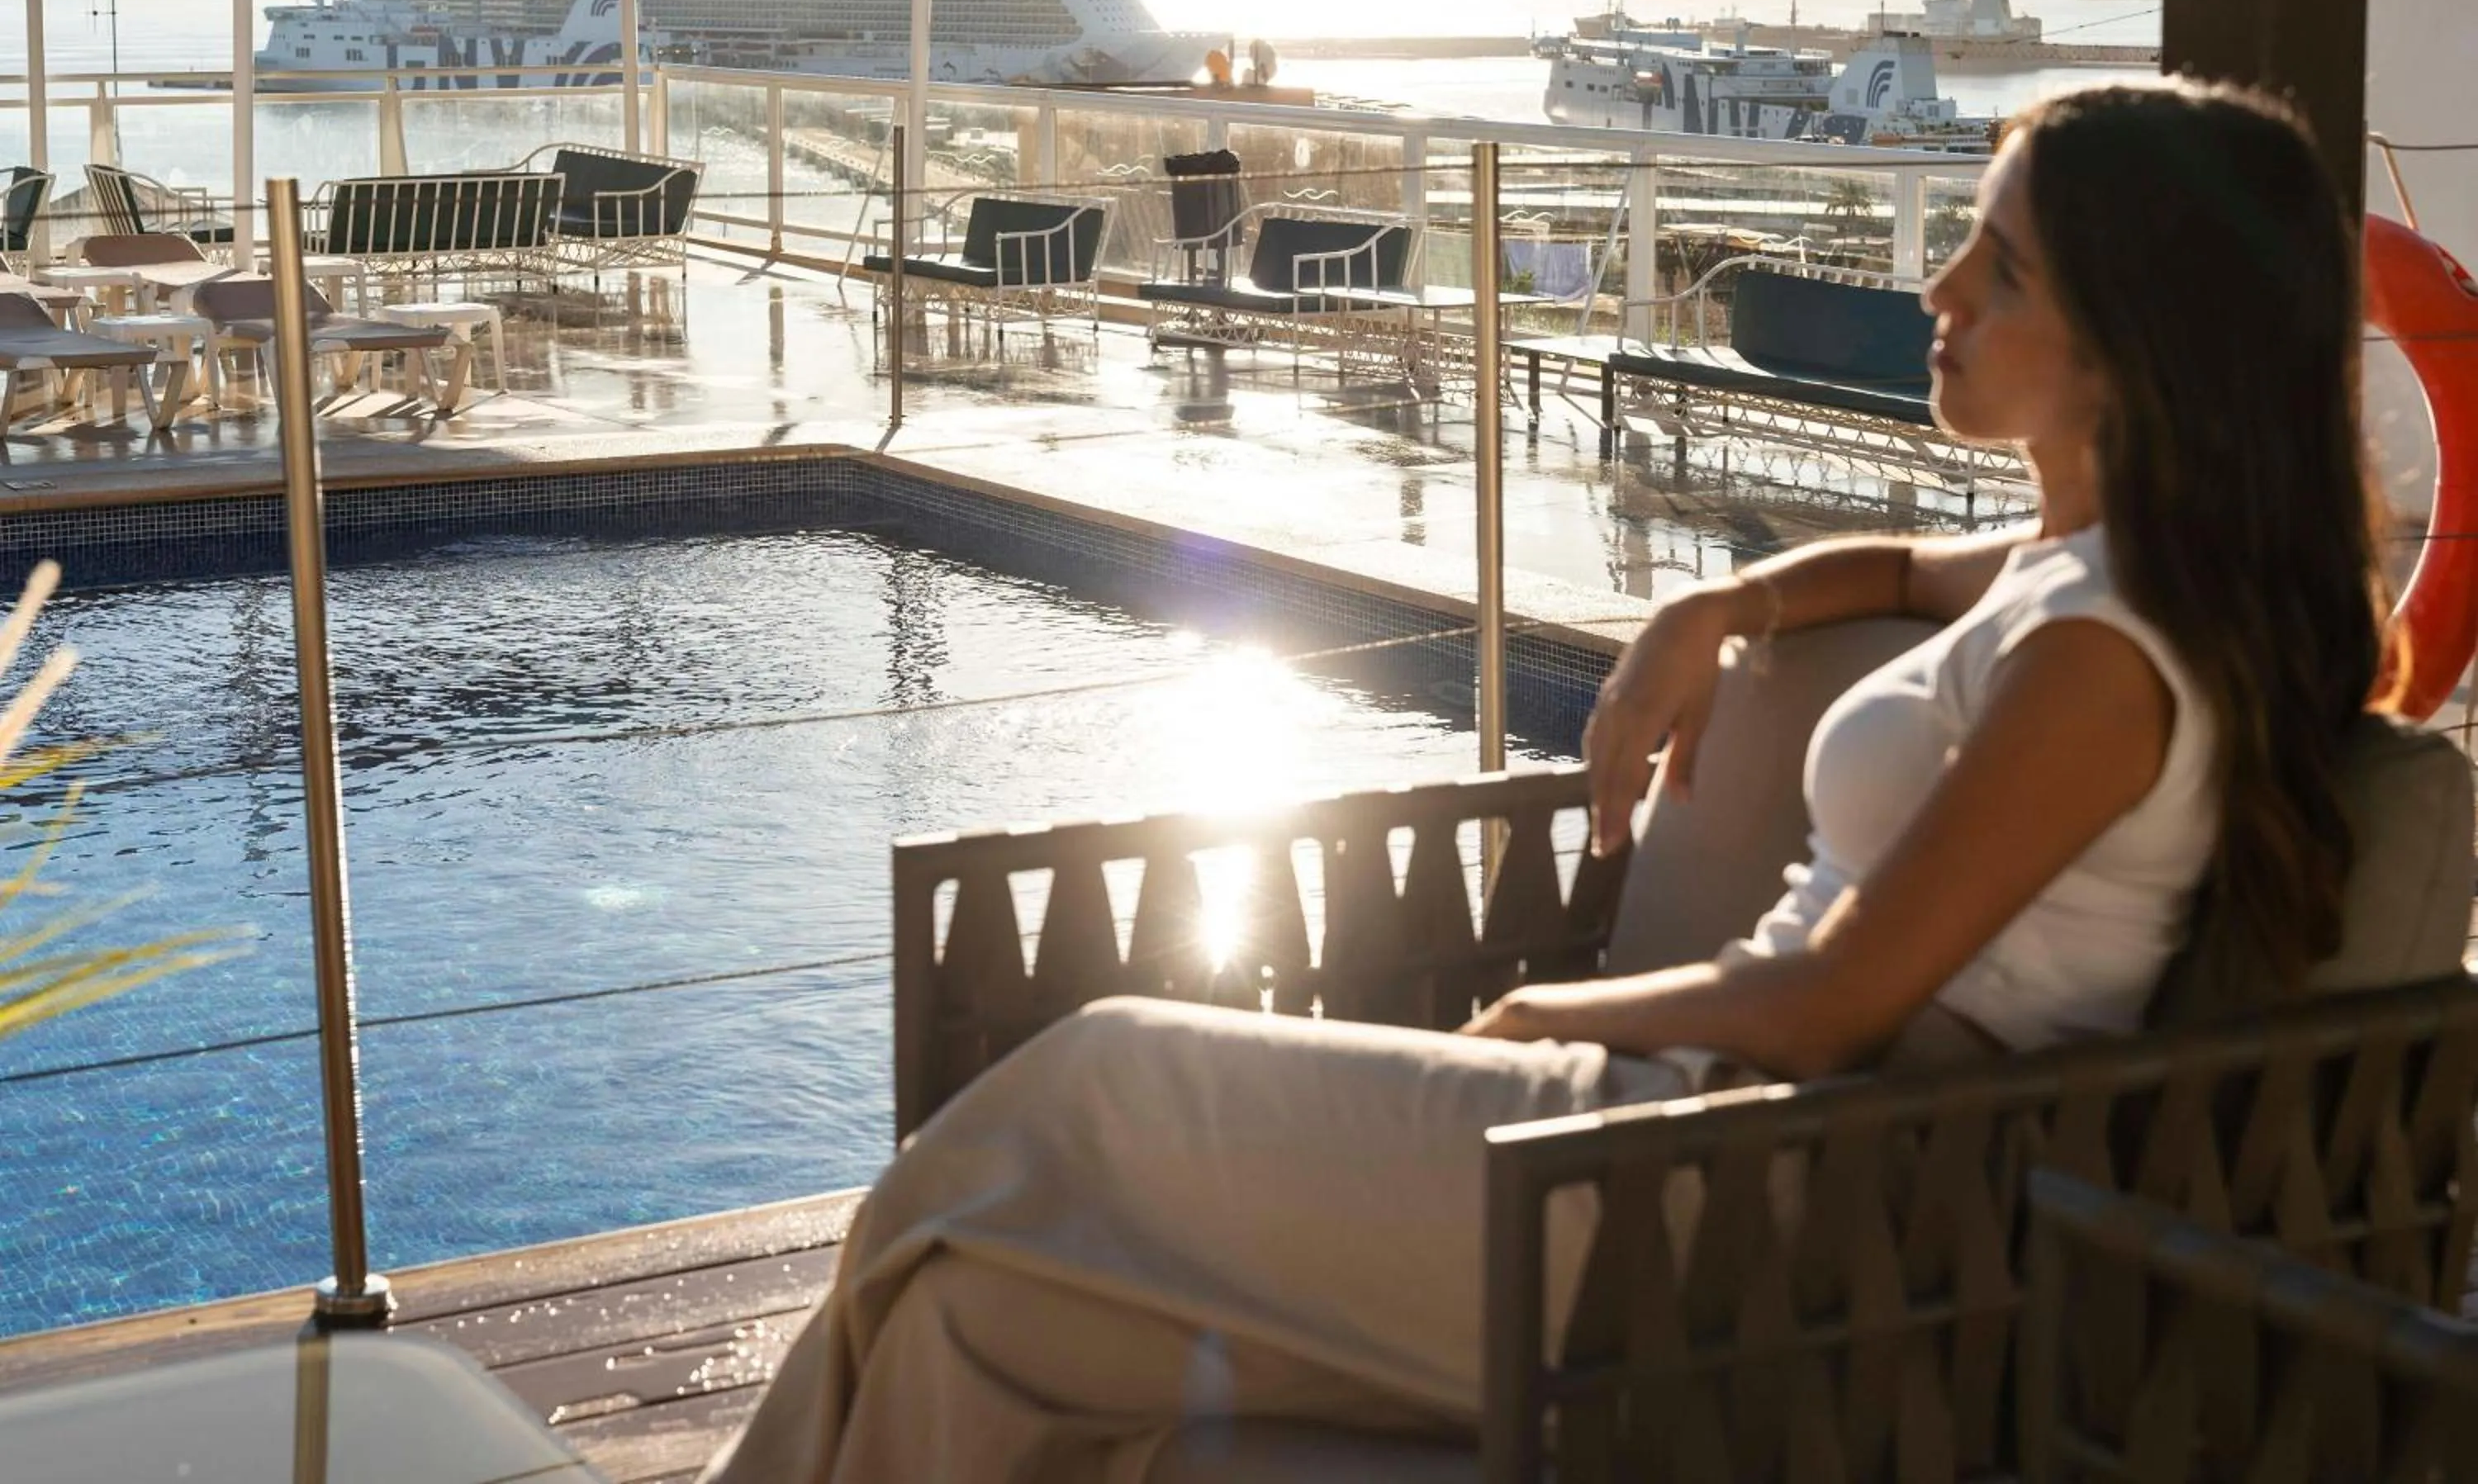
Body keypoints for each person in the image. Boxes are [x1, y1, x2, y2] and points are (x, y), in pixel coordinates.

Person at [704, 83, 2392, 1482]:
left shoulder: (2104, 660)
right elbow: (1899, 568)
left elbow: (1831, 998)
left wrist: (1548, 1021)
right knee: (978, 1329)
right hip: (1706, 1171)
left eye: (2001, 270)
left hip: (1753, 1210)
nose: (1940, 289)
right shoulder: (2072, 568)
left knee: (1091, 1085)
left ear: (2131, 350)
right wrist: (1720, 598)